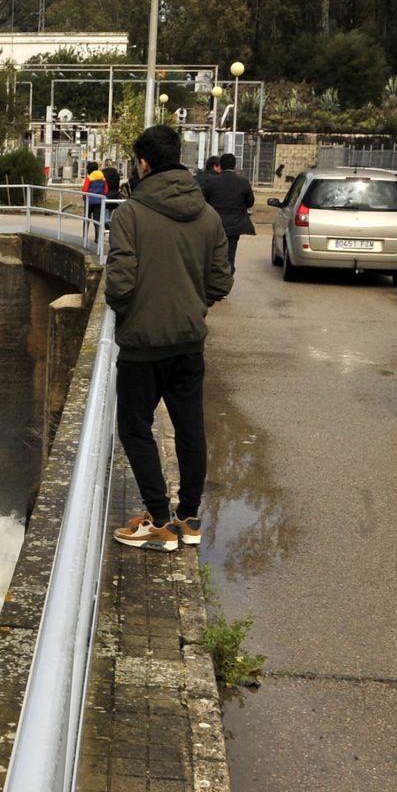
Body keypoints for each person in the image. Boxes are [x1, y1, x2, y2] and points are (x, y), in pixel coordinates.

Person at [106, 124, 232, 552]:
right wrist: (193, 307)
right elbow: (220, 282)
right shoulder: (209, 215)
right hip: (188, 343)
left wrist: (130, 313)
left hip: (142, 346)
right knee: (189, 428)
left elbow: (119, 284)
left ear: (143, 163)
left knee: (134, 427)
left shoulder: (130, 214)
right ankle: (190, 519)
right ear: (179, 156)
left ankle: (159, 520)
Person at [203, 152, 255, 272]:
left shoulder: (212, 182)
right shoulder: (243, 182)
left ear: (220, 165)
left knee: (214, 255)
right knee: (230, 256)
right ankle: (227, 278)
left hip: (215, 225)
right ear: (234, 166)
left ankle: (214, 279)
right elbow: (250, 202)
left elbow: (204, 201)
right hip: (234, 226)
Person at [82, 160, 109, 243]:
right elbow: (106, 191)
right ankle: (97, 238)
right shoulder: (103, 178)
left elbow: (85, 190)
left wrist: (84, 198)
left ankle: (84, 237)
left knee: (86, 219)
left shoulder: (89, 178)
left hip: (89, 201)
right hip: (99, 202)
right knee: (97, 221)